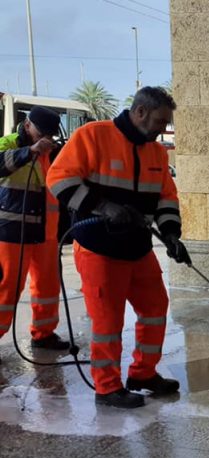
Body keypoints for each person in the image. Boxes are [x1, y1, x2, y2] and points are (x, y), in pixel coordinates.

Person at [47, 87, 190, 409]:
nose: (162, 129)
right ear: (140, 112)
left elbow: (166, 196)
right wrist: (103, 206)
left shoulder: (156, 153)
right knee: (107, 323)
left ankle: (143, 374)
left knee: (154, 310)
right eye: (159, 121)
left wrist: (170, 234)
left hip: (138, 248)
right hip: (99, 247)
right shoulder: (93, 136)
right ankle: (107, 387)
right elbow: (59, 179)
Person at [0, 106, 71, 360]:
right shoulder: (7, 143)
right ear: (27, 124)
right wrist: (27, 152)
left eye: (51, 135)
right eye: (43, 133)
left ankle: (44, 335)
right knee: (6, 288)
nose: (48, 139)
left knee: (48, 286)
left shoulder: (53, 151)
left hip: (46, 232)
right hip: (11, 232)